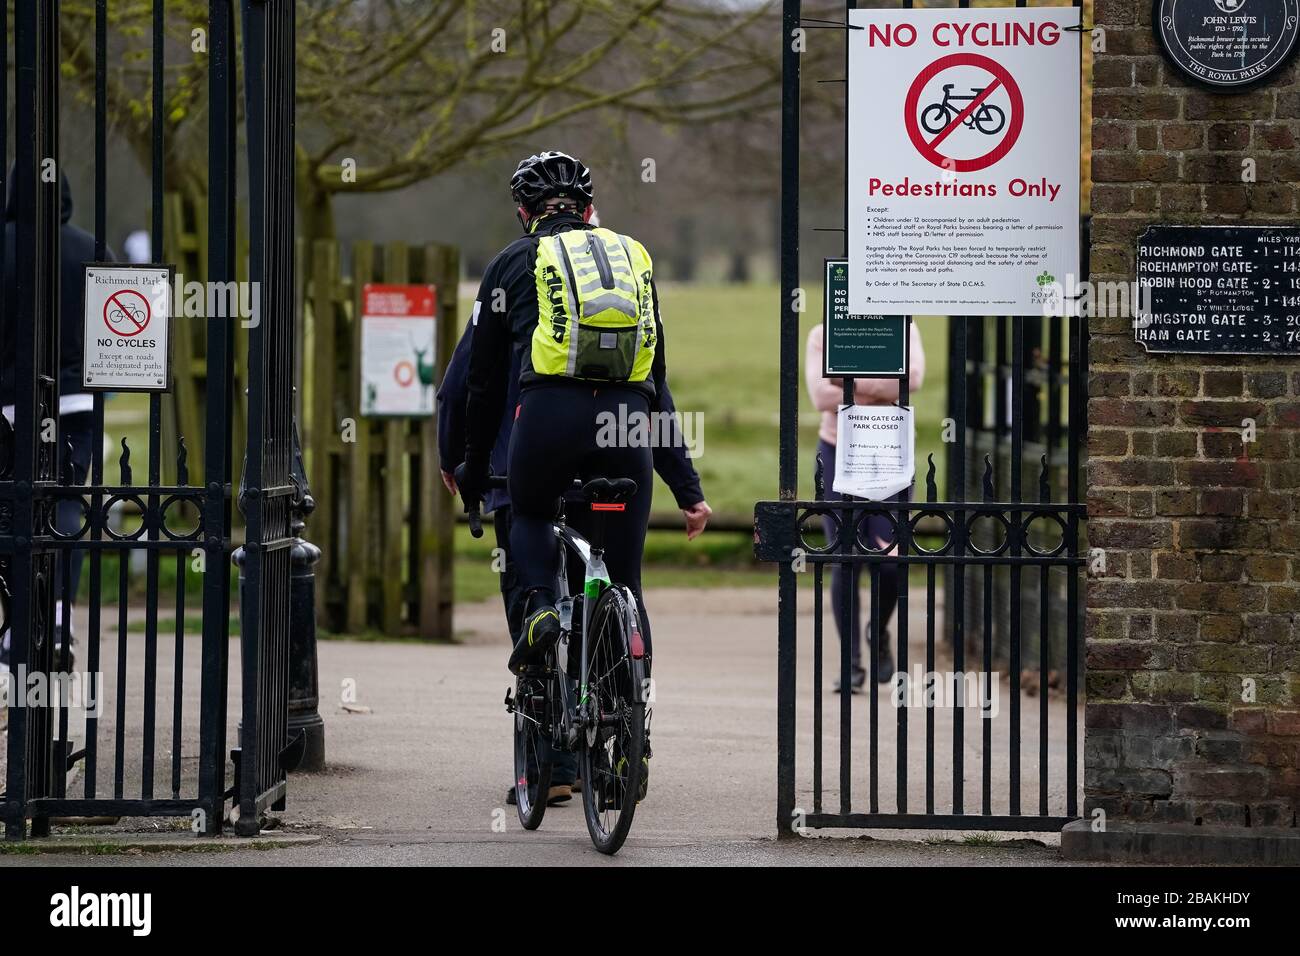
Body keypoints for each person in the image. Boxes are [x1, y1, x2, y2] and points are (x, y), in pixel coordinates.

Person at [451, 151, 710, 805]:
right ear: (588, 208)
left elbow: (480, 385)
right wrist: (688, 486)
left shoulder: (512, 263)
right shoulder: (632, 258)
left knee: (535, 519)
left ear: (523, 211)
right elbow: (658, 384)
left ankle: (541, 616)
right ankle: (629, 750)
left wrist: (474, 468)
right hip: (625, 430)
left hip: (546, 423)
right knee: (623, 583)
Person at [0, 173, 113, 673]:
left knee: (10, 514)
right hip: (73, 399)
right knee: (67, 503)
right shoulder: (91, 251)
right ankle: (61, 618)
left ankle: (13, 631)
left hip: (8, 404)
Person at [804, 321, 925, 693]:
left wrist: (847, 382)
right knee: (844, 558)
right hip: (837, 449)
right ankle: (851, 663)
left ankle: (878, 629)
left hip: (890, 450)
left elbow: (912, 379)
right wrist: (880, 387)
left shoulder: (902, 327)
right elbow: (820, 396)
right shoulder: (823, 333)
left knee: (890, 558)